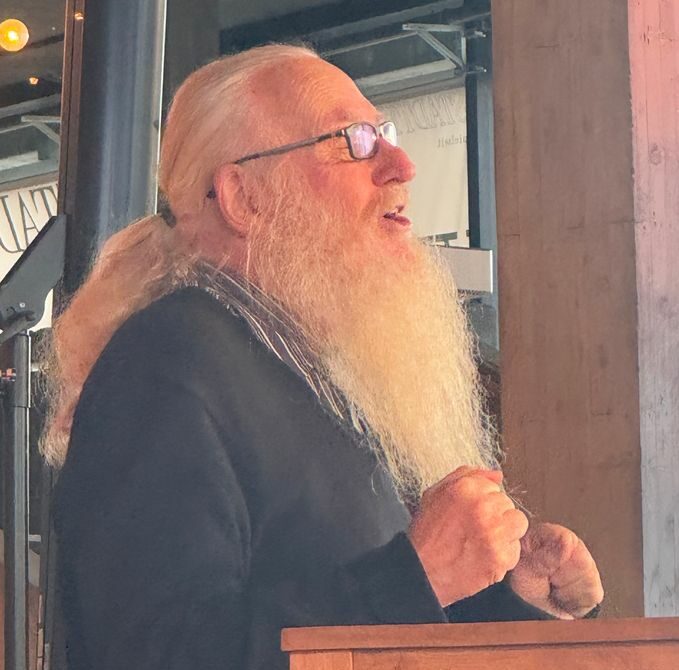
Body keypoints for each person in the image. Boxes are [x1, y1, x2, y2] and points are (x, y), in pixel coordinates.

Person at [43, 45, 603, 670]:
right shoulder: (164, 363)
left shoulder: (312, 366)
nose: (402, 165)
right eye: (353, 141)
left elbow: (374, 614)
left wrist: (508, 597)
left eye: (385, 134)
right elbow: (162, 655)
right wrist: (417, 572)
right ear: (244, 198)